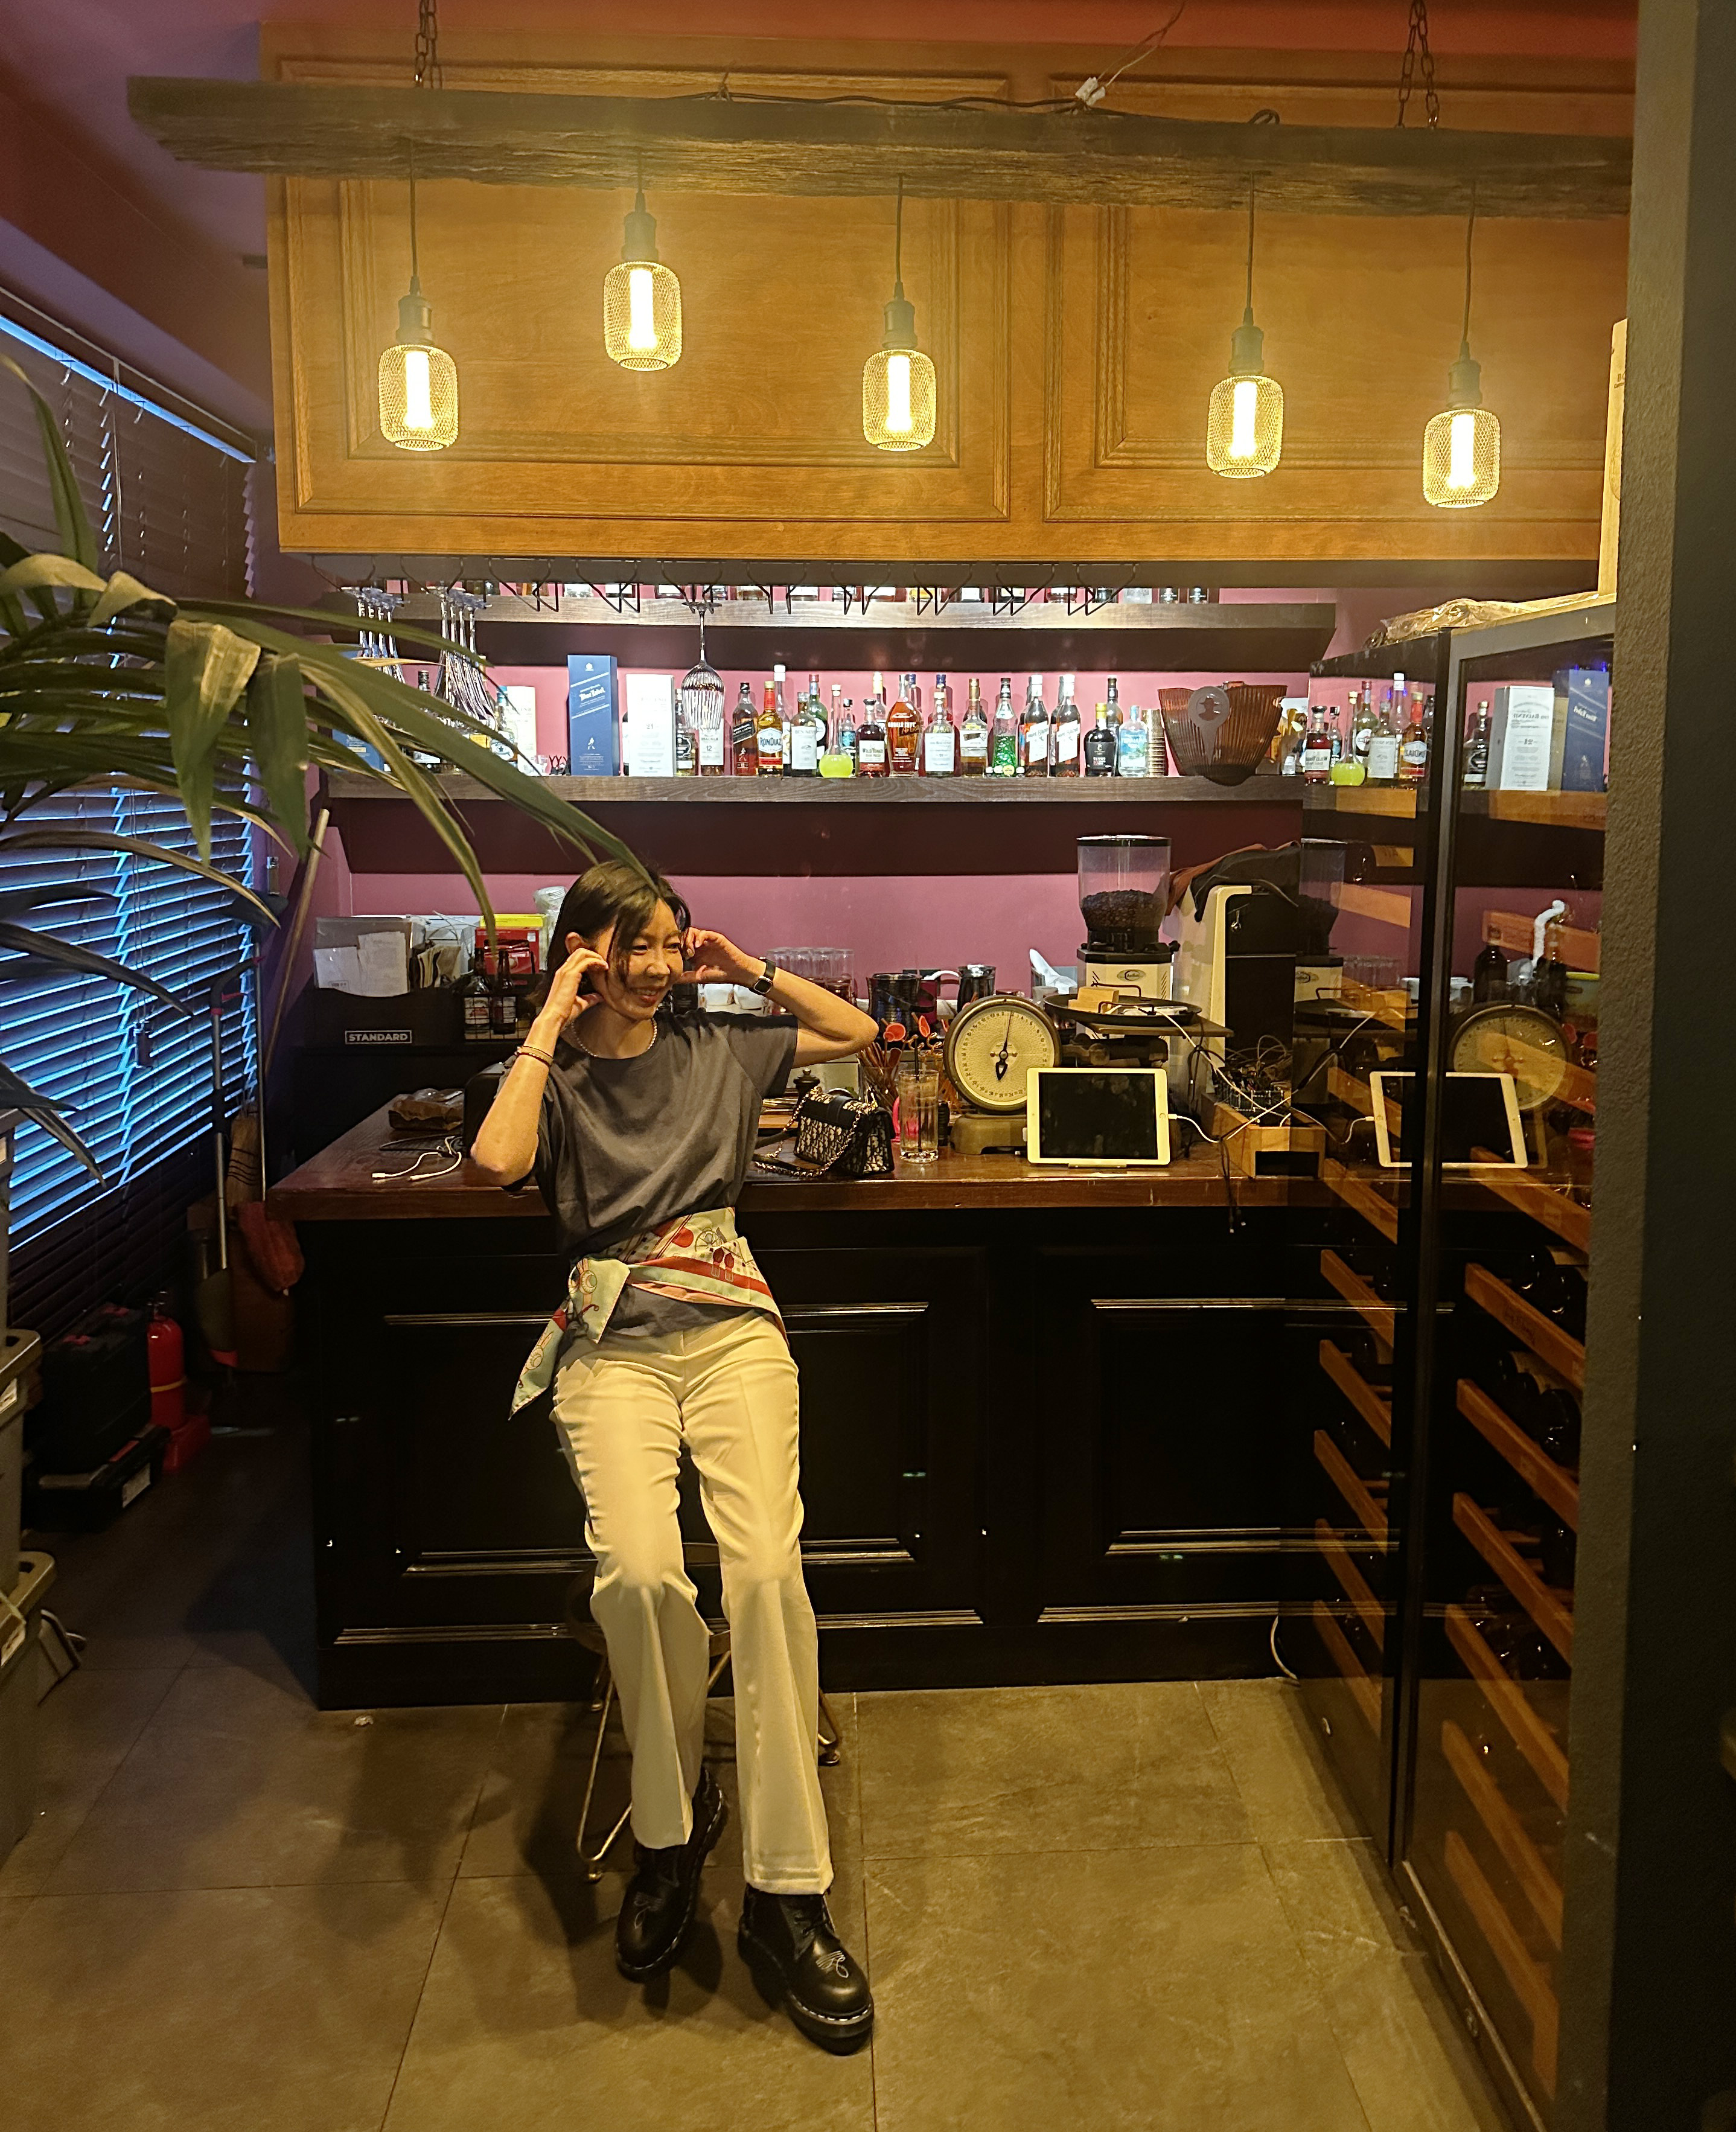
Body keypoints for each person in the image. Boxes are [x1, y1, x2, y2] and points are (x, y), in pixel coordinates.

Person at [471, 861, 879, 2052]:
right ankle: (669, 1829)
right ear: (584, 949)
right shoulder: (553, 1074)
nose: (655, 964)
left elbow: (857, 1034)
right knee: (643, 1577)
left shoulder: (721, 1046)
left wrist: (745, 967)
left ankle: (788, 1891)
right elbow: (494, 1161)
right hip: (613, 1349)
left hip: (733, 1334)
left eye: (669, 940)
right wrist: (553, 1013)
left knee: (766, 1578)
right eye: (630, 944)